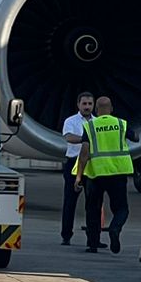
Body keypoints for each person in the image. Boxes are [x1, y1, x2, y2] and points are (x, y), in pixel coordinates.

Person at [76, 96, 133, 253]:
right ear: (112, 109)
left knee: (93, 209)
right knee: (121, 209)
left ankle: (93, 244)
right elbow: (135, 137)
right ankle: (115, 228)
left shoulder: (90, 126)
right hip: (117, 173)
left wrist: (79, 176)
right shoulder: (121, 124)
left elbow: (84, 152)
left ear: (96, 110)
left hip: (96, 175)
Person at [60, 91, 95, 246]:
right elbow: (69, 137)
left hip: (91, 164)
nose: (87, 107)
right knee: (70, 201)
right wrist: (86, 139)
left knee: (93, 202)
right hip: (73, 163)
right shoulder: (71, 121)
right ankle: (66, 235)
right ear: (78, 105)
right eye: (84, 104)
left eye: (90, 104)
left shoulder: (97, 122)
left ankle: (93, 238)